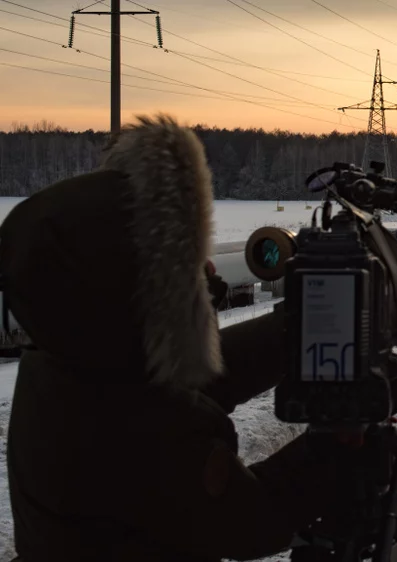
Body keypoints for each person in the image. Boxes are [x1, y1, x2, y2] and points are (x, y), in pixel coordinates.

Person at [1, 114, 339, 561]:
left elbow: (188, 385)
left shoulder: (64, 363)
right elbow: (253, 523)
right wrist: (338, 451)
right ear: (134, 286)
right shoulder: (136, 427)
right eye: (183, 264)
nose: (210, 269)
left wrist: (292, 334)